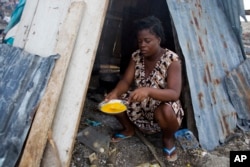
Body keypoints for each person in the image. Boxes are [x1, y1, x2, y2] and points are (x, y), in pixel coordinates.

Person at [104, 16, 184, 162]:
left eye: (147, 41)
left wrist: (148, 91)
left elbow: (174, 94)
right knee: (115, 100)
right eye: (140, 41)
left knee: (166, 110)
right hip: (141, 105)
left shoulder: (172, 60)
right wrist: (115, 93)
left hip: (162, 106)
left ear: (158, 39)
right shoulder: (136, 57)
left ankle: (167, 138)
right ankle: (128, 129)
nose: (142, 45)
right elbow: (126, 81)